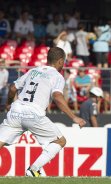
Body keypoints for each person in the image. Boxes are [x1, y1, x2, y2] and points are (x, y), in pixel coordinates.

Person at [0, 47, 86, 177]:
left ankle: (33, 170)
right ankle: (33, 170)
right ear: (60, 61)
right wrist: (74, 117)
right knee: (60, 141)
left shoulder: (33, 71)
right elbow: (57, 96)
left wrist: (8, 104)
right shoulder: (57, 76)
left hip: (16, 110)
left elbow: (13, 88)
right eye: (64, 62)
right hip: (34, 113)